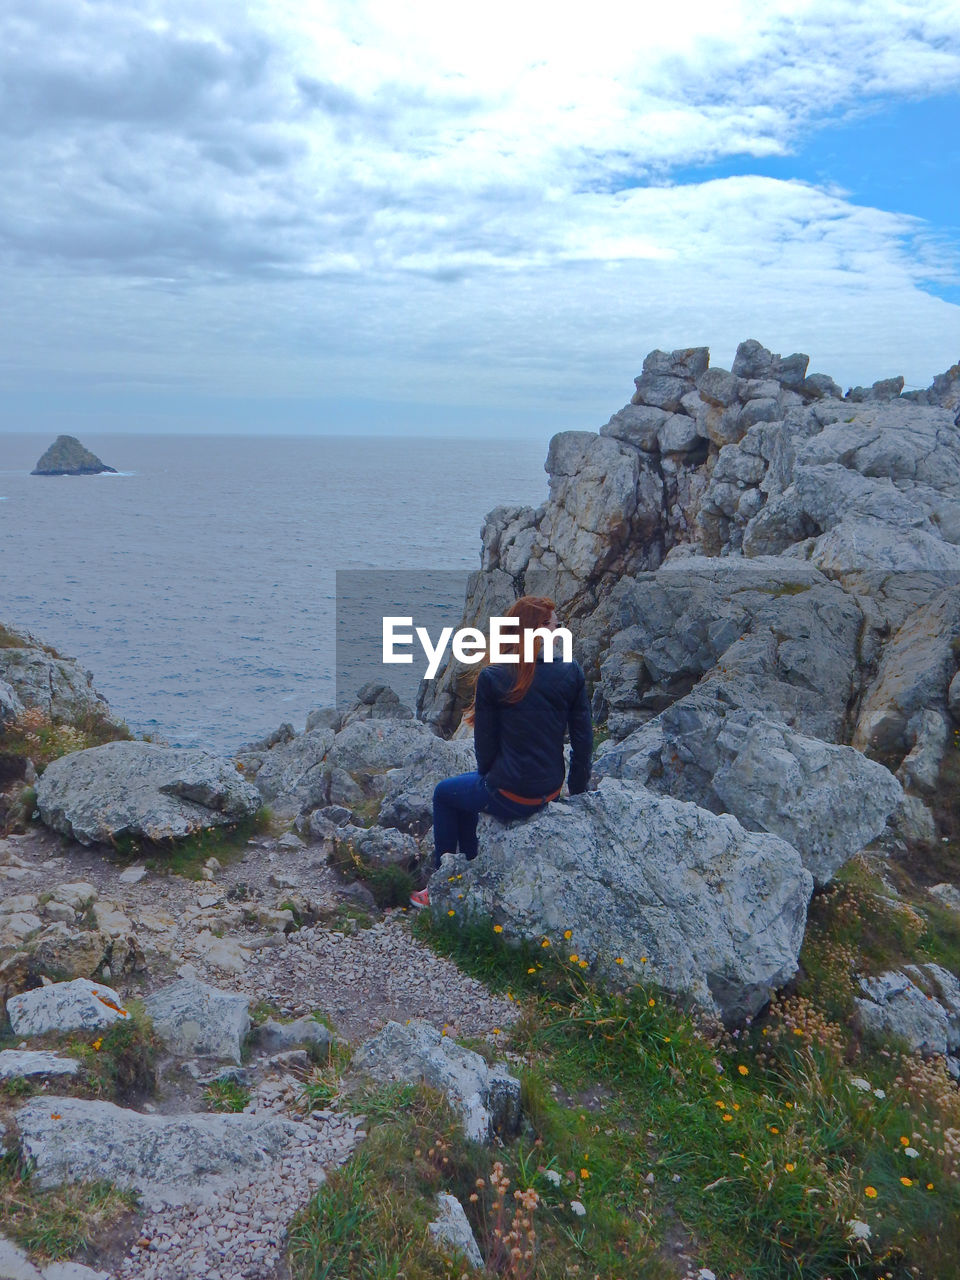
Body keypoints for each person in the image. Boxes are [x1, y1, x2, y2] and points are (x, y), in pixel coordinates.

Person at [410, 594, 592, 909]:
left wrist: (489, 783)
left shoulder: (494, 677)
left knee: (444, 794)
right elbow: (583, 740)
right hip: (548, 792)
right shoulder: (571, 672)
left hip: (511, 794)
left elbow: (485, 752)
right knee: (466, 791)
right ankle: (468, 867)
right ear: (538, 631)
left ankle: (443, 886)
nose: (559, 630)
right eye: (554, 626)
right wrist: (573, 794)